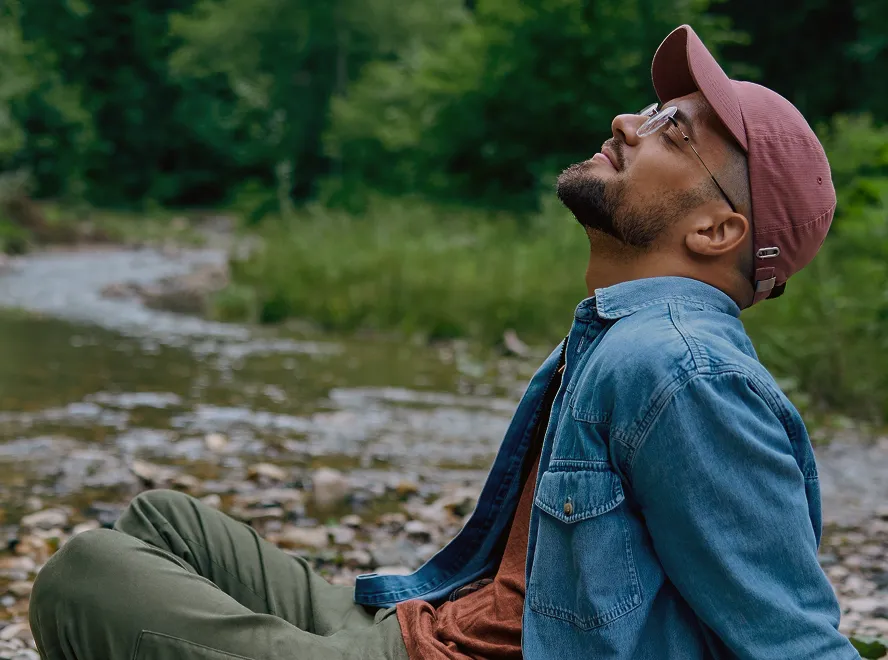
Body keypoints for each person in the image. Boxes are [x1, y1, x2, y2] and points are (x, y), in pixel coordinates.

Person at [28, 24, 858, 660]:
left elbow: (788, 635)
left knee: (84, 575)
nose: (628, 123)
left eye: (672, 132)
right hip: (431, 628)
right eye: (652, 112)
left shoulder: (683, 370)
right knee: (163, 522)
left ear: (718, 229)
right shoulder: (627, 333)